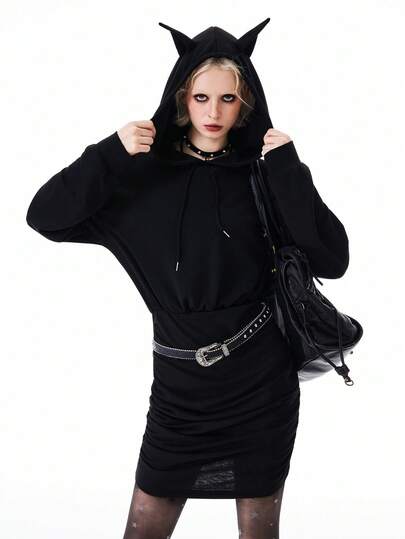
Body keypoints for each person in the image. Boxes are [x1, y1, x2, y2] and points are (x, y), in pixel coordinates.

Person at [26, 18, 350, 539]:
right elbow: (44, 216)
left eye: (227, 99)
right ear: (182, 98)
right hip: (179, 393)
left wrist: (289, 169)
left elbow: (333, 259)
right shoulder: (142, 177)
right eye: (201, 97)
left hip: (261, 386)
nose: (213, 112)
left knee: (259, 532)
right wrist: (108, 153)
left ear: (245, 103)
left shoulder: (263, 172)